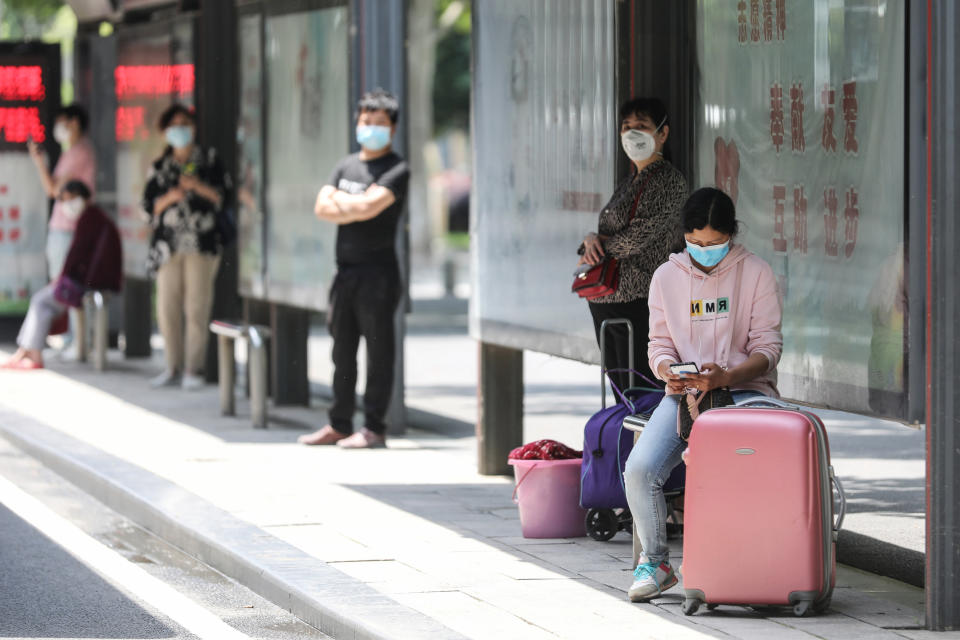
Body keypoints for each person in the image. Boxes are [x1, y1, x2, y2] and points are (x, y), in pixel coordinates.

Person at [623, 187, 783, 602]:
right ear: (684, 235)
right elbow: (658, 346)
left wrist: (727, 376)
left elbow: (768, 350)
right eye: (695, 243)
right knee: (640, 470)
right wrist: (667, 374)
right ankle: (656, 563)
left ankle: (743, 562)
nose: (704, 252)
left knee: (722, 469)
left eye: (714, 244)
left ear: (732, 235)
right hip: (685, 397)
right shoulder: (666, 277)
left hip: (745, 394)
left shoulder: (756, 272)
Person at [298, 89, 410, 449]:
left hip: (379, 275)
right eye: (366, 121)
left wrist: (343, 203)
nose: (371, 128)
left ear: (392, 128)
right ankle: (339, 423)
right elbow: (321, 206)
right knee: (341, 351)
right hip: (343, 273)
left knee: (378, 353)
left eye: (379, 123)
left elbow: (367, 208)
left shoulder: (397, 169)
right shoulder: (345, 165)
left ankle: (374, 427)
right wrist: (357, 203)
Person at [578, 97, 688, 393]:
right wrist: (591, 241)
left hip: (639, 299)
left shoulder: (667, 180)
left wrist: (601, 245)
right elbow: (611, 232)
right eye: (627, 127)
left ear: (662, 134)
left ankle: (643, 440)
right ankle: (628, 441)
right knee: (621, 390)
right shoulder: (632, 180)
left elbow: (640, 234)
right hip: (609, 298)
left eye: (642, 126)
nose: (632, 133)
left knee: (642, 387)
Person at [142, 104, 231, 391]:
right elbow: (147, 209)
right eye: (174, 125)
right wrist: (171, 197)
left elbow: (224, 197)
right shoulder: (159, 166)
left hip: (202, 245)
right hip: (168, 247)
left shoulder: (209, 160)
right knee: (167, 307)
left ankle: (194, 368)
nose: (180, 129)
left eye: (185, 123)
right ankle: (172, 365)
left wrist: (197, 187)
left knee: (197, 306)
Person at [2, 181, 121, 370]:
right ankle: (27, 351)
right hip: (96, 281)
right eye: (65, 200)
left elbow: (77, 255)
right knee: (45, 305)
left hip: (88, 284)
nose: (69, 204)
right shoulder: (96, 217)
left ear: (84, 197)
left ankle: (31, 353)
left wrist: (62, 279)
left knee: (41, 301)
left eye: (72, 198)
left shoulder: (90, 220)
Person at [27, 104, 97, 351]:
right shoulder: (74, 152)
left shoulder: (79, 152)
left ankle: (78, 342)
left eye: (63, 121)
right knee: (66, 287)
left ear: (74, 122)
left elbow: (53, 190)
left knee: (67, 287)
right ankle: (75, 340)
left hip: (68, 230)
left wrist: (38, 162)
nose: (60, 128)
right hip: (65, 229)